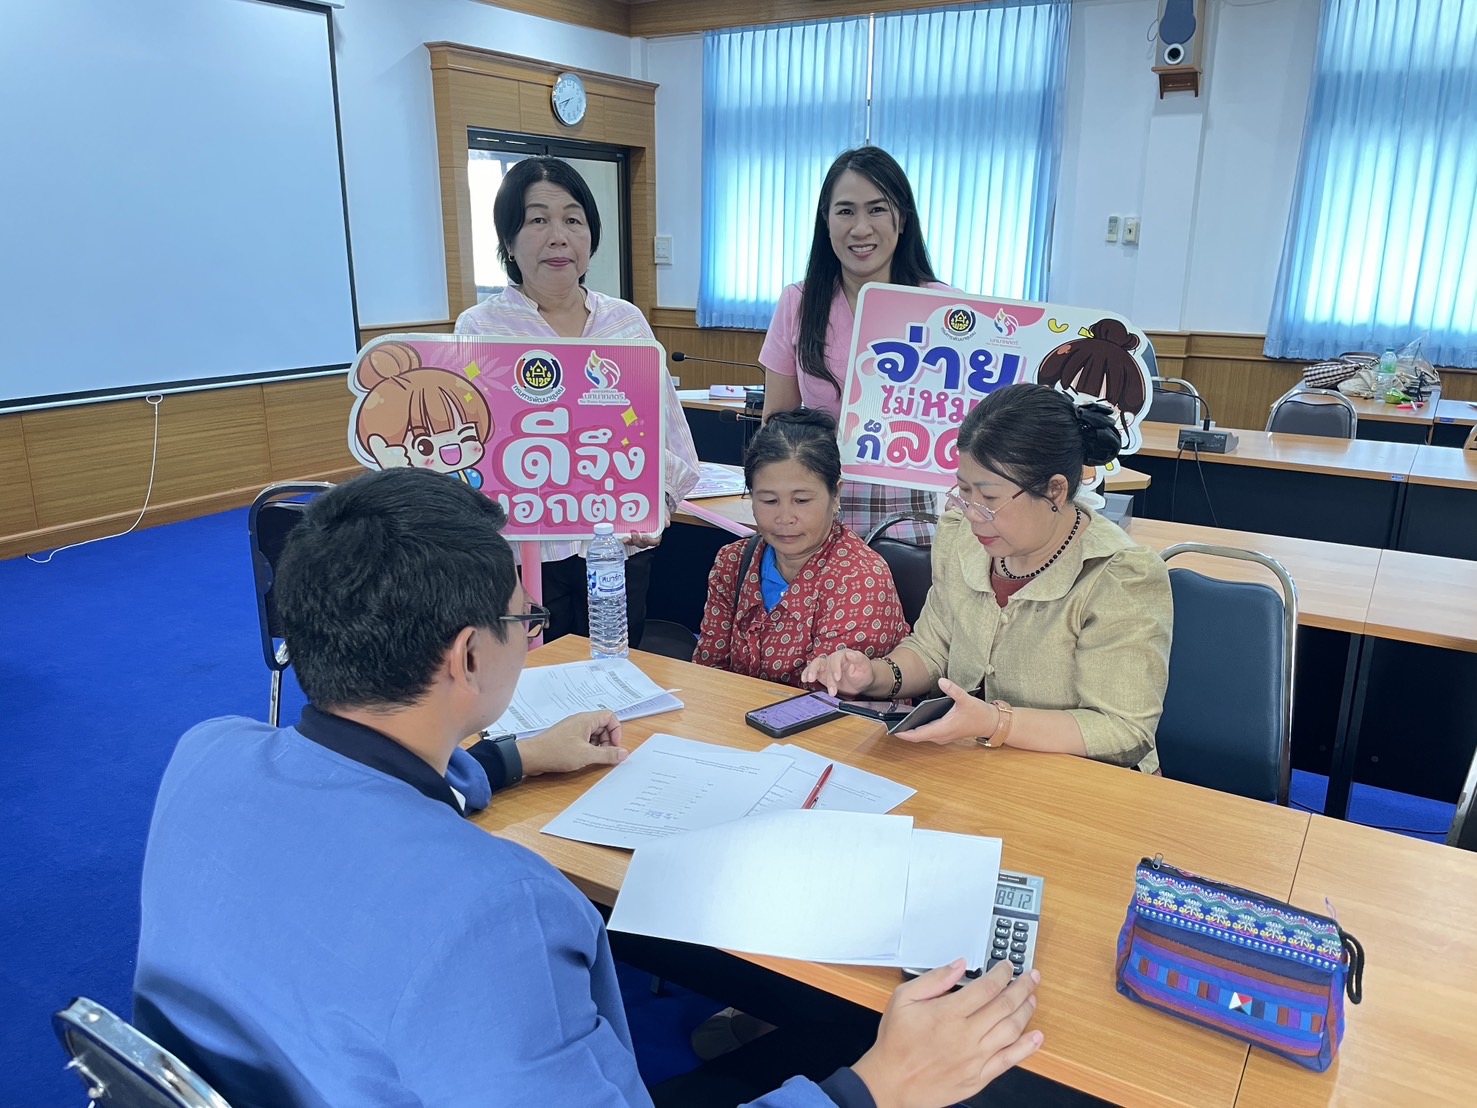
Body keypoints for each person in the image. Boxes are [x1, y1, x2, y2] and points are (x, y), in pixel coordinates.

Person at [133, 467, 1043, 1108]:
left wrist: (512, 759)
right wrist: (875, 1088)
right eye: (524, 619)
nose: (530, 634)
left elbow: (360, 792)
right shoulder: (496, 916)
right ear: (468, 655)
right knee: (852, 1055)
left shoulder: (204, 755)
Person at [803, 384, 1172, 773]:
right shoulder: (963, 536)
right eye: (964, 491)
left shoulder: (1119, 574)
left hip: (1082, 789)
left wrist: (996, 723)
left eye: (990, 499)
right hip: (976, 771)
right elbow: (933, 648)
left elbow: (1123, 730)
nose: (973, 514)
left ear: (1055, 490)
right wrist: (873, 675)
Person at [455, 155, 700, 647]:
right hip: (524, 558)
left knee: (615, 683)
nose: (558, 236)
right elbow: (469, 453)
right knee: (536, 689)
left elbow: (670, 435)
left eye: (573, 219)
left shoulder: (625, 323)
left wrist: (661, 501)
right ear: (508, 239)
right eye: (537, 220)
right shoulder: (480, 330)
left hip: (618, 549)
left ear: (591, 236)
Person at [760, 146, 950, 544]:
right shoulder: (798, 301)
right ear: (825, 222)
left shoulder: (944, 307)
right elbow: (776, 423)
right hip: (817, 506)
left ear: (903, 219)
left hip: (915, 515)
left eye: (877, 209)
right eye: (845, 211)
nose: (860, 228)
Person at [695, 408, 909, 688]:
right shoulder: (733, 562)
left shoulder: (860, 578)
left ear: (836, 495)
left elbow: (830, 693)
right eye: (769, 501)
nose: (785, 518)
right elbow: (709, 669)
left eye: (802, 501)